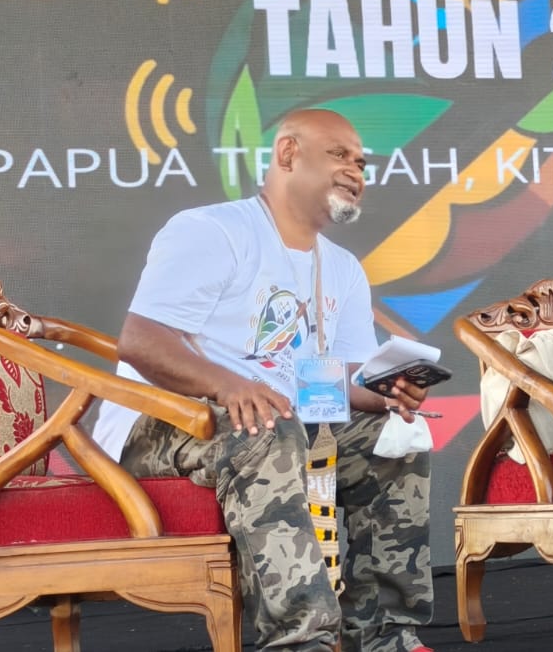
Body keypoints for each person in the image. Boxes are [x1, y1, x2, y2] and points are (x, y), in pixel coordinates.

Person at [91, 108, 434, 652]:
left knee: (392, 440)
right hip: (163, 426)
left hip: (279, 423)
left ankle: (386, 636)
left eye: (361, 163)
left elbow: (336, 380)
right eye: (339, 155)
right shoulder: (214, 231)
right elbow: (142, 340)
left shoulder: (341, 267)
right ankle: (302, 641)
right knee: (267, 428)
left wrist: (385, 392)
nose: (355, 171)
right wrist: (227, 385)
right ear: (288, 154)